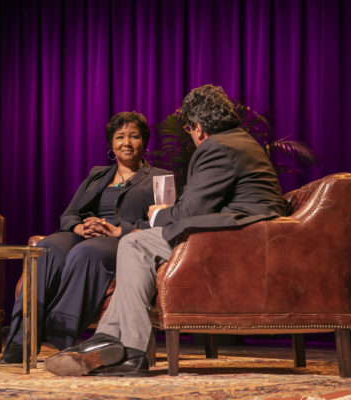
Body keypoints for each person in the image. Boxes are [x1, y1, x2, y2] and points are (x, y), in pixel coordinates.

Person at [44, 84, 288, 377]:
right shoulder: (238, 141)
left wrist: (159, 214)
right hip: (240, 232)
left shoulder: (217, 147)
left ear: (197, 127)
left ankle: (130, 351)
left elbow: (189, 211)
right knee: (135, 242)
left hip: (238, 237)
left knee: (135, 244)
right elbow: (199, 205)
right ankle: (109, 340)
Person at [0, 111, 170, 364]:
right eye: (120, 136)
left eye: (134, 136)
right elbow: (69, 214)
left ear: (144, 142)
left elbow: (165, 223)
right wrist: (80, 228)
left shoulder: (158, 177)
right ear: (111, 143)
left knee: (86, 253)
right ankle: (20, 339)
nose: (127, 142)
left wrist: (118, 229)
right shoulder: (98, 174)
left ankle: (61, 336)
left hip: (123, 240)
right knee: (45, 248)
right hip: (86, 233)